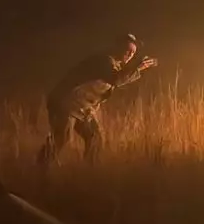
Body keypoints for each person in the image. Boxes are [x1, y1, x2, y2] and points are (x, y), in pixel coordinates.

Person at [37, 33, 157, 165]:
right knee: (62, 138)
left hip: (83, 108)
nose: (130, 54)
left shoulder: (116, 65)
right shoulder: (104, 60)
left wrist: (139, 68)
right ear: (117, 47)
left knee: (95, 138)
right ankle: (40, 170)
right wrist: (137, 67)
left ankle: (89, 173)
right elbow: (116, 79)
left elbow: (119, 78)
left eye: (133, 52)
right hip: (67, 103)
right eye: (127, 50)